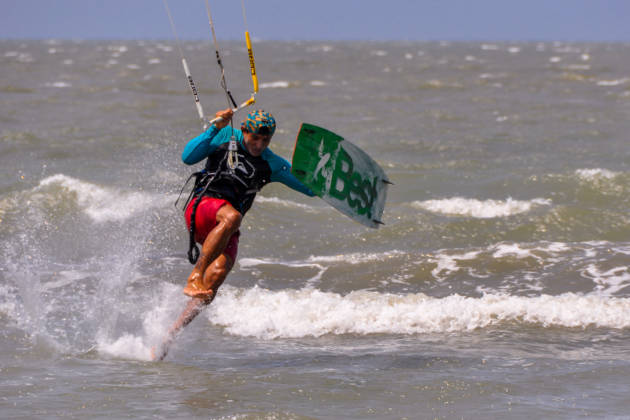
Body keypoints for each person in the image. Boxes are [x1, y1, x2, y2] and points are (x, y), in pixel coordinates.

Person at [153, 108, 314, 360]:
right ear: (244, 131)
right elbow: (188, 157)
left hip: (225, 229)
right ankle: (195, 274)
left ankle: (169, 337)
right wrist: (214, 128)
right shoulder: (225, 136)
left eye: (265, 140)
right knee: (233, 217)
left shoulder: (272, 164)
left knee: (214, 282)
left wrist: (322, 170)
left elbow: (310, 189)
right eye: (254, 138)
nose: (259, 145)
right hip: (202, 209)